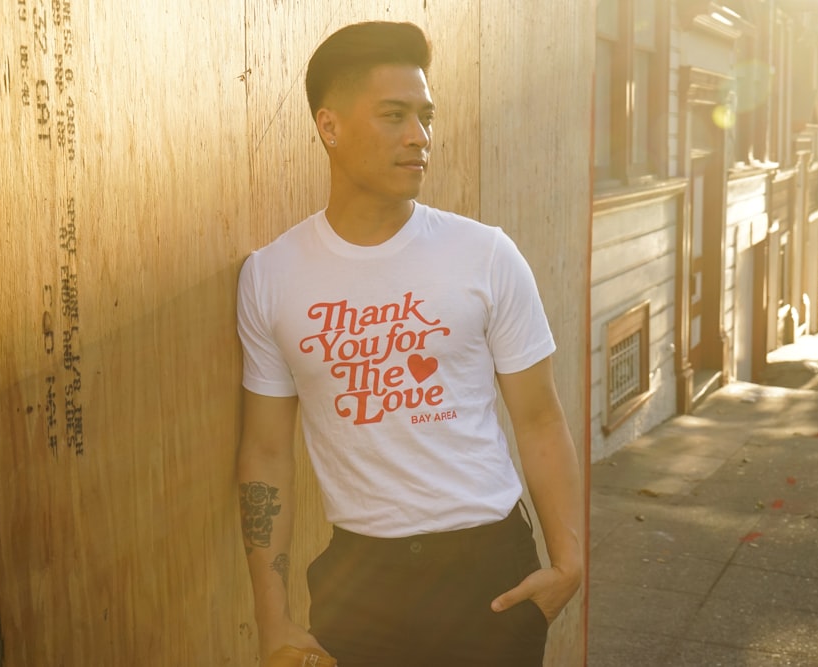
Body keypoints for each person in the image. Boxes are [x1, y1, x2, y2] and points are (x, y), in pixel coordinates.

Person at [236, 21, 582, 667]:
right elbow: (265, 452)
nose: (419, 136)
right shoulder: (272, 275)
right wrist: (271, 615)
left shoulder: (485, 254)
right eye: (394, 115)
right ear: (329, 126)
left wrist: (568, 563)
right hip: (359, 576)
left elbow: (539, 417)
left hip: (488, 572)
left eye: (425, 116)